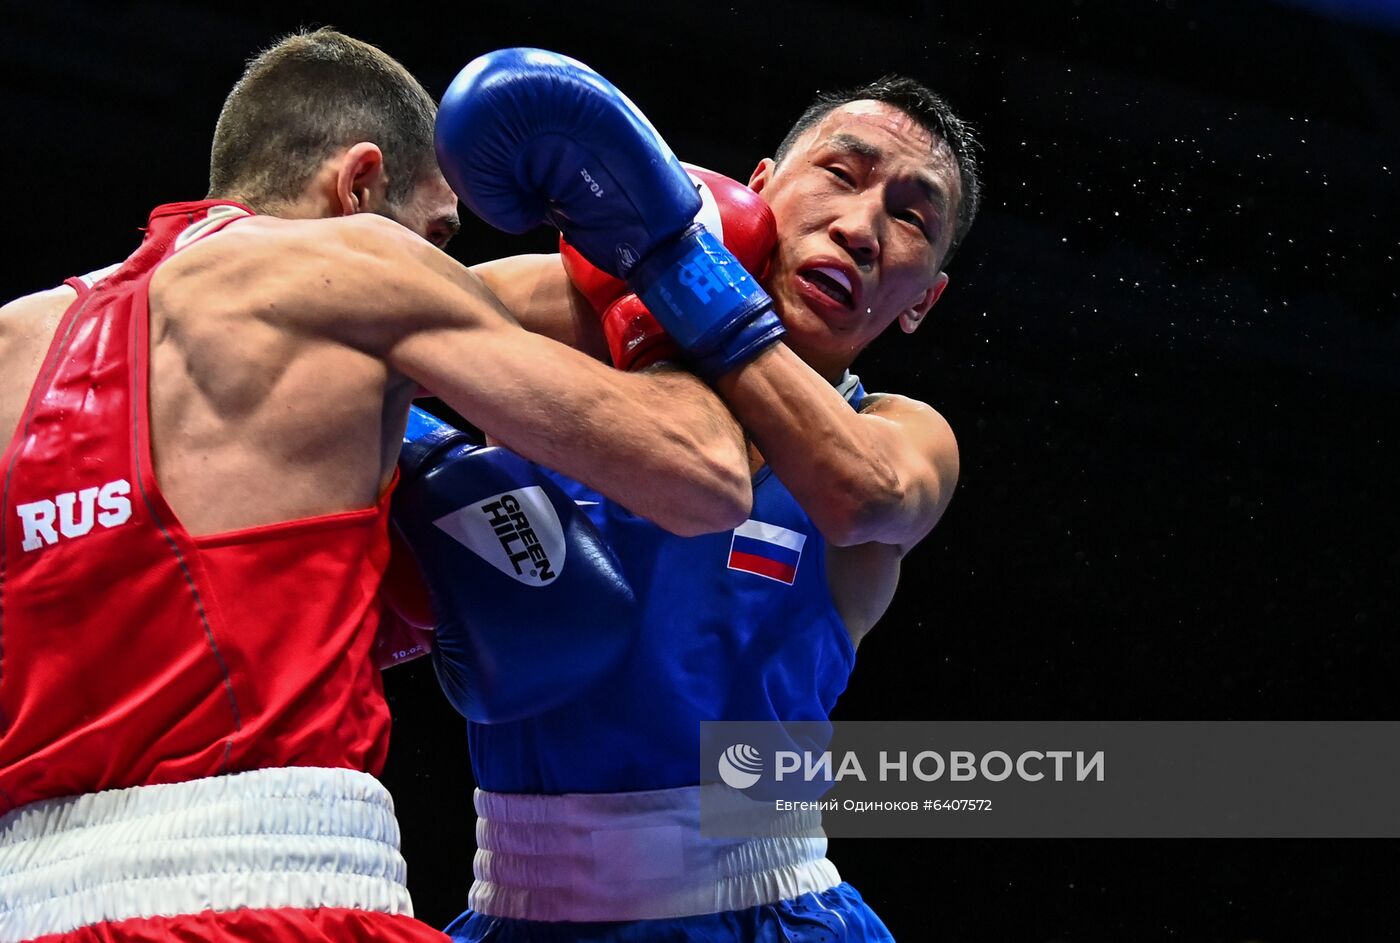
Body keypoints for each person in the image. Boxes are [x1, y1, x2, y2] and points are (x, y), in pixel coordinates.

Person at [0, 30, 763, 943]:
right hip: (284, 894)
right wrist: (665, 273)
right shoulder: (360, 263)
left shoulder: (15, 342)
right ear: (360, 185)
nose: (443, 260)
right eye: (440, 234)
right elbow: (705, 477)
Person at [391, 52, 981, 941]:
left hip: (763, 910)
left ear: (920, 303)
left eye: (909, 218)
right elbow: (365, 331)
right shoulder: (582, 315)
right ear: (760, 187)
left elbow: (865, 495)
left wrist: (680, 267)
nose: (862, 227)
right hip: (515, 908)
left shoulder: (902, 433)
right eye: (841, 173)